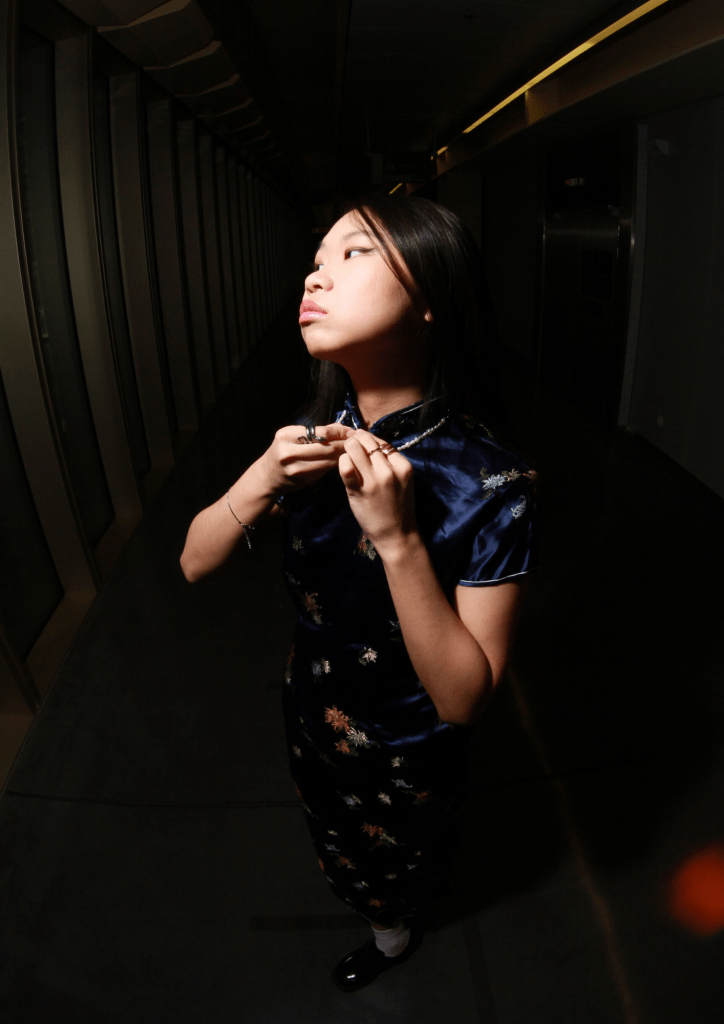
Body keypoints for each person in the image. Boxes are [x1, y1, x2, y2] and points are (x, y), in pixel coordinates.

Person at [180, 193, 538, 991]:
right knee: (332, 834)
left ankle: (392, 935)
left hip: (409, 746)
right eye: (317, 259)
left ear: (432, 299)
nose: (317, 274)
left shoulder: (492, 480)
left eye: (355, 253)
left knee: (397, 864)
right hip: (311, 705)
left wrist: (398, 537)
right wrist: (263, 474)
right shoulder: (313, 434)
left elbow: (463, 699)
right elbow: (194, 564)